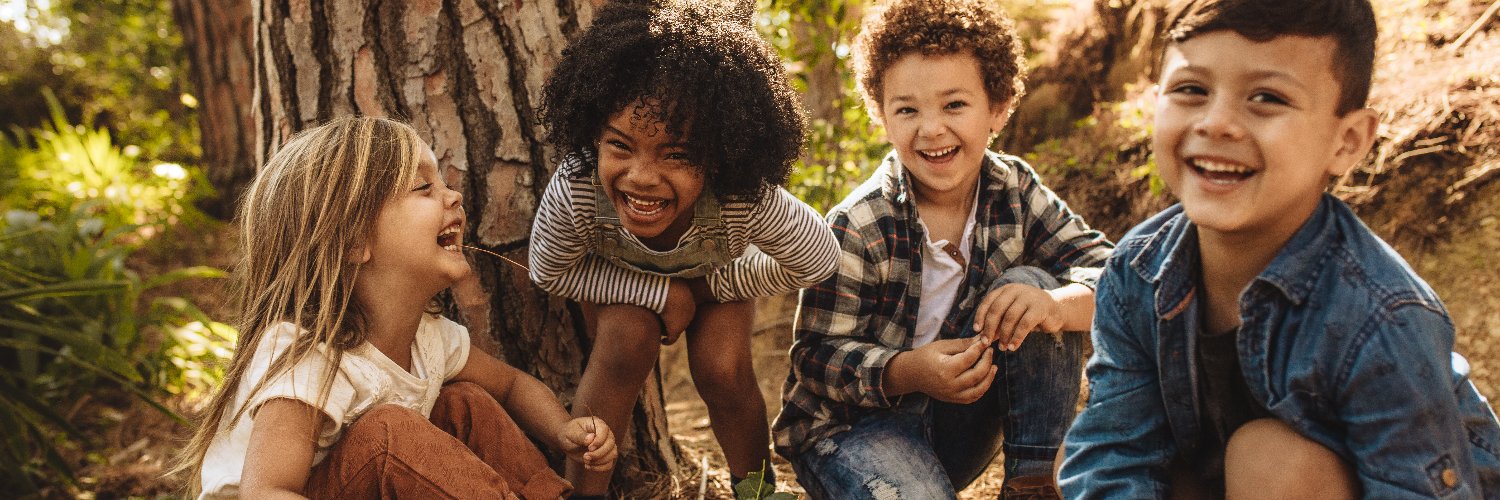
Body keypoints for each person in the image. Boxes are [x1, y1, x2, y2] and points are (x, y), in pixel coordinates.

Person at [1059, 0, 1500, 497]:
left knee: (1269, 460)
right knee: (1086, 456)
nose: (1216, 123)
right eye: (1191, 90)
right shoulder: (1137, 271)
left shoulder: (1380, 316)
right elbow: (1116, 452)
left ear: (1346, 141)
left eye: (1267, 97)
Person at [771, 1, 1114, 498]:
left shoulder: (1014, 189)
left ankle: (1034, 480)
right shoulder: (861, 223)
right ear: (881, 117)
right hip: (850, 432)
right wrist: (909, 371)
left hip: (959, 425)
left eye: (954, 105)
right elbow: (814, 357)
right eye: (907, 109)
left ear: (997, 107)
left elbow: (1117, 277)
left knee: (1032, 290)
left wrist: (1056, 306)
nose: (931, 129)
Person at [172, 116, 616, 499]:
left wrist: (563, 431)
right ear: (353, 239)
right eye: (424, 187)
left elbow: (512, 386)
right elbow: (266, 491)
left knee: (465, 403)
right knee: (389, 433)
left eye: (443, 182)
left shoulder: (428, 338)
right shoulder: (309, 356)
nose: (453, 196)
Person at [527, 2, 837, 497]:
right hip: (623, 287)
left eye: (677, 154)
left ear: (719, 155)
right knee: (625, 341)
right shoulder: (578, 188)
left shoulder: (741, 196)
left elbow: (818, 256)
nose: (641, 176)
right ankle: (583, 494)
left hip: (716, 281)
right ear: (593, 135)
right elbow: (550, 271)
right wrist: (659, 293)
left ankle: (755, 490)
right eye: (620, 146)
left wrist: (712, 283)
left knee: (723, 370)